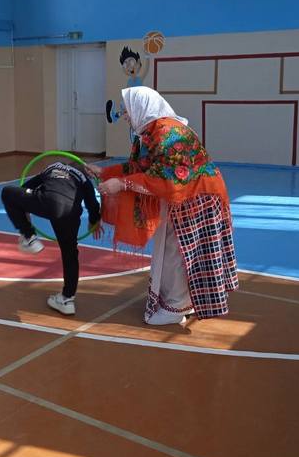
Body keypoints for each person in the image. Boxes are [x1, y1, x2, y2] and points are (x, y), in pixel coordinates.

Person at [87, 86, 238, 325]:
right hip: (187, 195)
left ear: (142, 107)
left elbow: (166, 180)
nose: (124, 115)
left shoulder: (168, 133)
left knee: (177, 253)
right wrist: (105, 172)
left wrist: (122, 183)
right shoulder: (150, 132)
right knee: (177, 251)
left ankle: (176, 307)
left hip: (197, 196)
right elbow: (141, 167)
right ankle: (181, 302)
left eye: (127, 110)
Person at [1, 161, 102, 316]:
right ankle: (67, 299)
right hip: (70, 212)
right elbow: (93, 205)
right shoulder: (83, 179)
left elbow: (24, 188)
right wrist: (93, 222)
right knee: (70, 252)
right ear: (84, 169)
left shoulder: (52, 167)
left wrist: (24, 212)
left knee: (7, 192)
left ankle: (29, 237)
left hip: (48, 202)